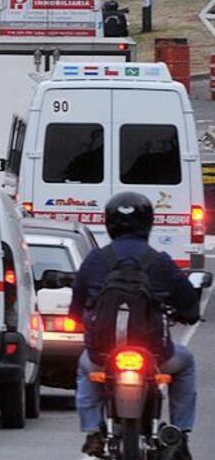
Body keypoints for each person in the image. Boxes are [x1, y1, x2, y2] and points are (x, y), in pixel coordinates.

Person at [70, 191, 200, 457]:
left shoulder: (96, 260)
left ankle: (93, 431)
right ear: (148, 222)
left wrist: (81, 319)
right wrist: (187, 313)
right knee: (186, 363)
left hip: (103, 354)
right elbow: (189, 302)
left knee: (85, 369)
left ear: (109, 223)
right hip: (154, 355)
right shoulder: (160, 261)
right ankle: (180, 432)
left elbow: (76, 306)